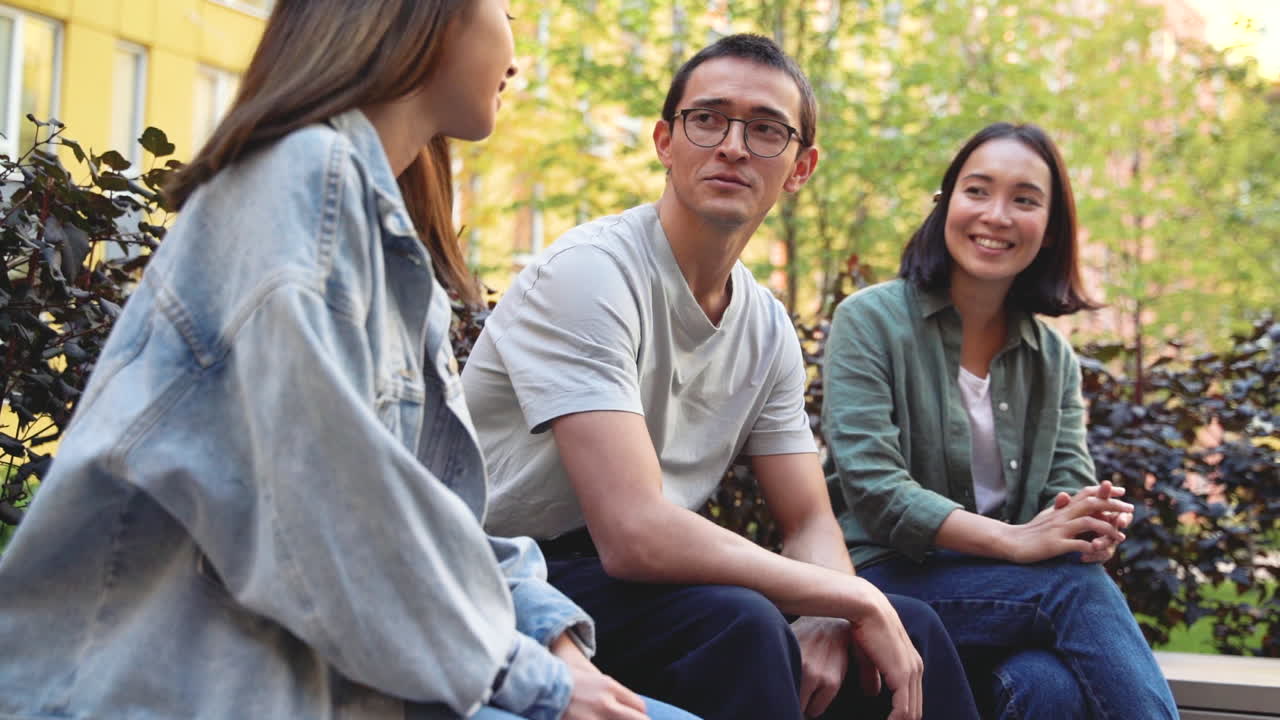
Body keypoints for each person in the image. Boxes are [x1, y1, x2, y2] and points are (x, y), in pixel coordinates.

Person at [0, 2, 699, 719]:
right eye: (507, 8)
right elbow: (324, 515)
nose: (515, 39)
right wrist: (534, 679)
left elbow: (417, 513)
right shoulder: (302, 184)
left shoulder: (373, 226)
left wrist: (546, 633)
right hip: (159, 690)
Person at [462, 34, 978, 720]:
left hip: (633, 585)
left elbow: (808, 518)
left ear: (801, 168)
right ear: (664, 141)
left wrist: (830, 615)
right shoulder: (590, 273)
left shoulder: (764, 327)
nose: (733, 145)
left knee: (905, 634)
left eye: (766, 129)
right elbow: (634, 533)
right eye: (708, 119)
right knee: (742, 626)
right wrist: (851, 595)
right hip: (508, 576)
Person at [821, 122, 1179, 719]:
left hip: (1010, 594)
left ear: (1051, 227)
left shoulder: (1052, 356)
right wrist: (1014, 543)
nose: (997, 215)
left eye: (1025, 200)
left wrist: (1090, 521)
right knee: (1070, 588)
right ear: (946, 205)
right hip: (888, 582)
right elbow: (876, 493)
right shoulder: (870, 321)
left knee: (1045, 686)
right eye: (978, 191)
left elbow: (1062, 489)